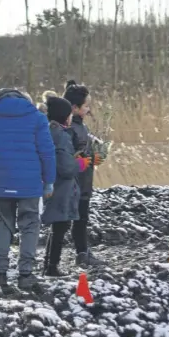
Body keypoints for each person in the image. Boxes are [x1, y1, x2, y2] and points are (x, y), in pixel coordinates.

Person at [0, 88, 56, 289]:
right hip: (30, 183)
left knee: (1, 224)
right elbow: (47, 152)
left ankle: (0, 272)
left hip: (2, 181)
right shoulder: (37, 118)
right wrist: (49, 181)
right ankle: (25, 274)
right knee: (30, 225)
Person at [41, 95, 91, 277]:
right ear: (65, 116)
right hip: (62, 189)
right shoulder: (61, 136)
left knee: (58, 227)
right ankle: (52, 267)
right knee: (60, 227)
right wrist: (80, 163)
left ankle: (48, 264)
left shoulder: (50, 132)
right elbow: (66, 167)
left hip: (56, 186)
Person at [63, 80, 104, 266]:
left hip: (83, 180)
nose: (88, 109)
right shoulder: (69, 127)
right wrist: (84, 161)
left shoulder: (81, 126)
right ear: (75, 107)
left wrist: (94, 156)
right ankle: (76, 254)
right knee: (72, 221)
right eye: (86, 106)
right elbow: (67, 156)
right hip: (74, 183)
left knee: (82, 218)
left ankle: (82, 252)